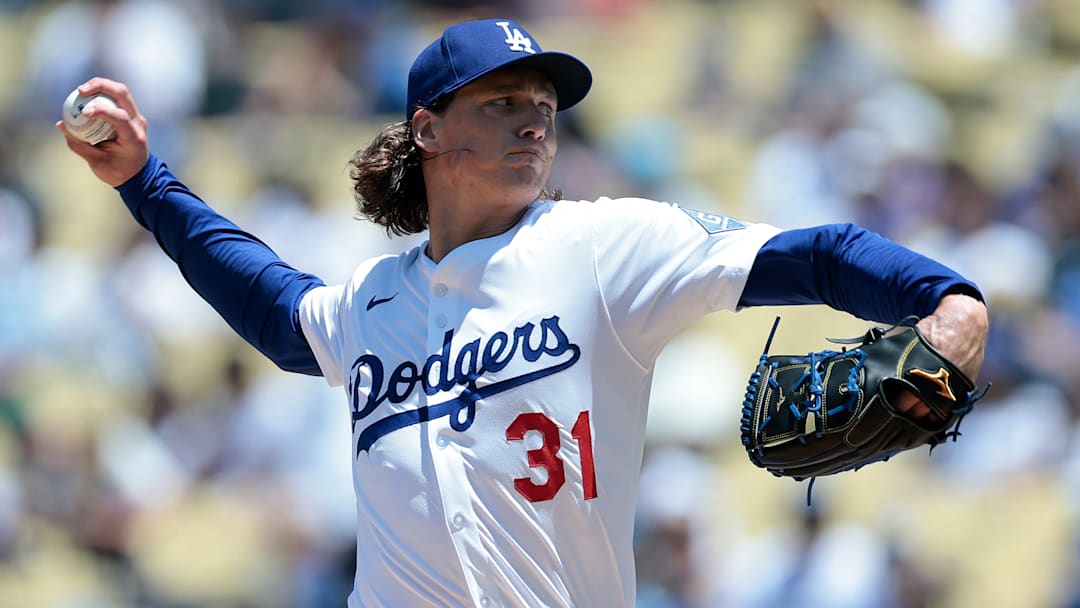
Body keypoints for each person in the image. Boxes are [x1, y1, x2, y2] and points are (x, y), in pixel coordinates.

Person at [59, 18, 988, 608]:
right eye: (503, 104)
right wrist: (146, 180)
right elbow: (270, 303)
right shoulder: (374, 302)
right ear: (425, 128)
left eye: (543, 107)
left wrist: (947, 301)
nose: (534, 122)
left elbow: (815, 254)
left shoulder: (605, 245)